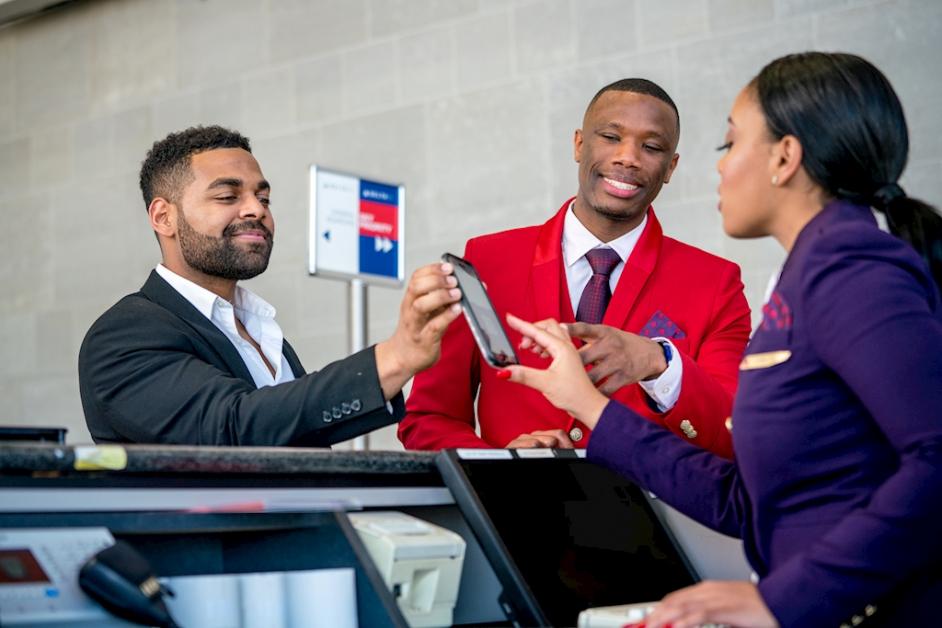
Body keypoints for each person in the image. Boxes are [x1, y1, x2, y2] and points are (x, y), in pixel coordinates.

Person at [500, 52, 942, 626]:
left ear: (784, 157)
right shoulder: (803, 277)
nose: (721, 166)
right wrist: (588, 405)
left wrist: (784, 599)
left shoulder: (850, 268)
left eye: (730, 144)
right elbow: (746, 500)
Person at [400, 79, 751, 457]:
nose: (628, 157)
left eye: (651, 147)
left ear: (671, 167)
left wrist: (658, 362)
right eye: (611, 137)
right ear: (579, 145)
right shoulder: (486, 260)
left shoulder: (718, 284)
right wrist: (498, 465)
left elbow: (734, 435)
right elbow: (427, 418)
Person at [79, 126, 462, 446]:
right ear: (164, 217)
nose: (256, 209)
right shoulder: (123, 336)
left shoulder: (258, 327)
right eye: (227, 196)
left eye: (263, 198)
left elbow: (293, 430)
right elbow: (234, 426)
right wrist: (396, 357)